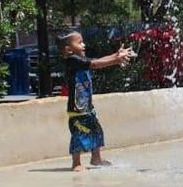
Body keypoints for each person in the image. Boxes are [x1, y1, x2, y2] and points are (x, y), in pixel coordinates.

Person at [56, 31, 136, 171]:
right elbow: (95, 64)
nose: (83, 44)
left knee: (97, 131)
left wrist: (115, 55)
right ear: (68, 49)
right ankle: (76, 163)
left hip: (87, 107)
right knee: (79, 134)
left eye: (83, 41)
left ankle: (96, 157)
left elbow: (96, 61)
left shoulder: (82, 60)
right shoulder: (72, 61)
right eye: (79, 42)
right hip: (77, 110)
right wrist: (116, 60)